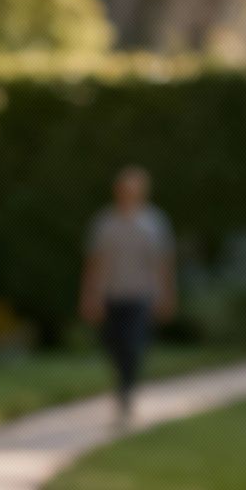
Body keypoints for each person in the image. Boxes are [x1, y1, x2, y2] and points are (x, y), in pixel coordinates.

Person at [79, 165, 176, 423]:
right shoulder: (105, 223)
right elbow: (95, 263)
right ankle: (123, 386)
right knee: (113, 344)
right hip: (111, 294)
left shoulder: (154, 223)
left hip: (141, 294)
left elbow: (162, 263)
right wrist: (90, 296)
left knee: (132, 346)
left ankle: (126, 393)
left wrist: (166, 295)